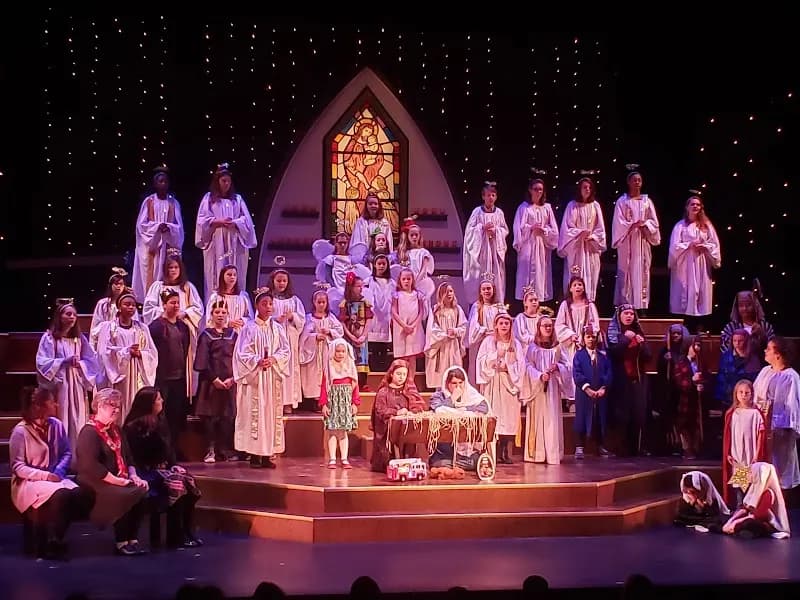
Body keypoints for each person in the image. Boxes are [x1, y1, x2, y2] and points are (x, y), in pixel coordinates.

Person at [10, 387, 91, 559]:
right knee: (61, 495)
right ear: (39, 406)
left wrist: (59, 470)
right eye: (51, 401)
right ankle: (52, 541)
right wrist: (45, 476)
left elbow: (66, 453)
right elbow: (18, 467)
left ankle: (57, 537)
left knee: (80, 493)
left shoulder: (57, 425)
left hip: (55, 477)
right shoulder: (20, 432)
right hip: (29, 482)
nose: (56, 404)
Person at [124, 387, 202, 548]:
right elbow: (137, 456)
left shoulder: (160, 421)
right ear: (149, 404)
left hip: (162, 468)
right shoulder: (134, 427)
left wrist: (174, 466)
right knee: (177, 485)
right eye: (158, 399)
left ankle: (187, 530)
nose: (162, 402)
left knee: (188, 480)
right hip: (145, 471)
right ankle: (176, 536)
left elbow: (169, 450)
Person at [76, 389, 150, 556]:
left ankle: (133, 538)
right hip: (94, 479)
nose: (117, 409)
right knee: (123, 494)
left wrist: (134, 476)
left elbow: (129, 457)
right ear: (100, 406)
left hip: (118, 477)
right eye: (112, 405)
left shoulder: (117, 430)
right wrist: (118, 481)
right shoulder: (89, 432)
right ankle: (121, 541)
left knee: (141, 491)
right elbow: (91, 466)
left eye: (118, 406)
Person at [233, 287, 290, 469]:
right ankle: (254, 454)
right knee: (254, 415)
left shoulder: (277, 329)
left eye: (271, 304)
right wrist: (257, 361)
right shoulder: (248, 328)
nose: (268, 307)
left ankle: (268, 454)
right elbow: (241, 353)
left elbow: (285, 350)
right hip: (255, 379)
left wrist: (274, 359)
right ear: (257, 305)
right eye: (264, 303)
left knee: (270, 415)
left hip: (272, 377)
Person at [36, 298, 100, 448]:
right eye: (68, 314)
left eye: (74, 315)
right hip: (60, 383)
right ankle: (60, 454)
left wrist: (81, 364)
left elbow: (91, 361)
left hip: (76, 383)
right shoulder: (50, 338)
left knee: (77, 418)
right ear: (60, 317)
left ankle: (76, 458)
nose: (72, 317)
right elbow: (42, 361)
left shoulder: (79, 339)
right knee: (62, 417)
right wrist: (63, 361)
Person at [195, 162, 257, 299]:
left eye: (228, 181)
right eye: (223, 181)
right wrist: (217, 221)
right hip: (216, 239)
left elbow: (246, 220)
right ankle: (215, 302)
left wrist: (235, 223)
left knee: (234, 269)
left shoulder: (237, 199)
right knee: (216, 271)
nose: (226, 184)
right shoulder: (209, 198)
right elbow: (202, 220)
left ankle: (235, 302)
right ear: (217, 182)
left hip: (234, 239)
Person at [96, 289, 159, 419]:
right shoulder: (109, 328)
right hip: (119, 377)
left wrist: (140, 354)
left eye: (133, 305)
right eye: (127, 304)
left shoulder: (142, 328)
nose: (131, 307)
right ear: (119, 307)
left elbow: (152, 353)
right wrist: (126, 352)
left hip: (137, 375)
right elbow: (104, 353)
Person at [477, 312, 525, 465]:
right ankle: (494, 450)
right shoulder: (488, 342)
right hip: (493, 382)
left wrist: (508, 367)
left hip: (509, 384)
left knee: (508, 418)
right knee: (495, 415)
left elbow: (521, 365)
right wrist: (494, 357)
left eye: (507, 323)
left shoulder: (515, 344)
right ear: (496, 325)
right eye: (501, 323)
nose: (504, 326)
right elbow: (481, 360)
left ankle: (505, 451)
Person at [668, 191, 721, 328]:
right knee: (686, 292)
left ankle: (701, 325)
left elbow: (714, 244)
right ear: (687, 207)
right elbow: (674, 246)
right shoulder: (680, 226)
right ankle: (685, 326)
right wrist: (688, 245)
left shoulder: (707, 225)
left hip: (701, 262)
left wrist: (705, 247)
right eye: (693, 204)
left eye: (698, 204)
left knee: (701, 293)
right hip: (685, 264)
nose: (695, 207)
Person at [611, 166, 661, 311]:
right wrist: (631, 225)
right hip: (627, 241)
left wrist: (645, 225)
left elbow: (654, 222)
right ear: (629, 182)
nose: (637, 182)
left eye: (639, 180)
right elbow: (618, 222)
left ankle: (641, 306)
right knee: (625, 271)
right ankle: (624, 305)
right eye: (634, 180)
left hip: (642, 241)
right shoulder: (622, 201)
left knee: (642, 271)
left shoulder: (647, 201)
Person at [132, 165, 185, 302]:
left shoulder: (173, 203)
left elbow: (179, 227)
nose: (163, 184)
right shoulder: (149, 202)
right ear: (155, 184)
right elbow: (141, 225)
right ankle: (151, 303)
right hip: (153, 246)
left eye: (165, 181)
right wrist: (157, 227)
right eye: (160, 181)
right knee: (152, 273)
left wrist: (169, 228)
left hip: (167, 245)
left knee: (166, 272)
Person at [753, 337, 800, 490]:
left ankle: (778, 503)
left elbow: (791, 406)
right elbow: (755, 394)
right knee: (754, 462)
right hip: (759, 426)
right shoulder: (765, 371)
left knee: (778, 467)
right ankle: (747, 499)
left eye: (769, 348)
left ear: (778, 354)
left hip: (778, 431)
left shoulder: (791, 377)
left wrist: (775, 425)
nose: (765, 351)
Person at [194, 299, 238, 463]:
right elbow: (202, 360)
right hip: (211, 382)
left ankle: (225, 449)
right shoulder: (206, 335)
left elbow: (238, 358)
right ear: (211, 314)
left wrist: (233, 378)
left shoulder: (233, 334)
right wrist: (214, 379)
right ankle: (210, 450)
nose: (220, 315)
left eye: (223, 312)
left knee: (227, 417)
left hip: (229, 381)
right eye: (217, 312)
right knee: (211, 417)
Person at [522, 316, 569, 464]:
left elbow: (567, 365)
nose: (548, 328)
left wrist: (558, 367)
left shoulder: (557, 346)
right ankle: (537, 454)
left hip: (552, 389)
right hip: (537, 389)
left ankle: (553, 454)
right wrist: (538, 375)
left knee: (552, 420)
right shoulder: (533, 347)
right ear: (539, 328)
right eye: (544, 326)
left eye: (550, 326)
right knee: (538, 419)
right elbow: (527, 366)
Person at [148, 289, 191, 448]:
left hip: (179, 378)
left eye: (178, 302)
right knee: (161, 415)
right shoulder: (155, 326)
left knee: (177, 415)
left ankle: (174, 450)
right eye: (172, 302)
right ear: (164, 304)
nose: (176, 305)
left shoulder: (182, 326)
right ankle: (161, 450)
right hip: (163, 378)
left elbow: (185, 348)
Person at [607, 304, 651, 456]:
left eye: (631, 314)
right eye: (626, 313)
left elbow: (648, 356)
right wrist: (626, 339)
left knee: (638, 413)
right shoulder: (615, 334)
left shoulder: (639, 332)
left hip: (637, 379)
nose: (629, 316)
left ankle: (637, 448)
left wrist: (642, 344)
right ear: (619, 316)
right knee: (621, 414)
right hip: (620, 380)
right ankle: (620, 449)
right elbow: (613, 353)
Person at [428, 366, 491, 471]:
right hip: (446, 450)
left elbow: (483, 408)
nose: (458, 387)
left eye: (460, 383)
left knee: (476, 461)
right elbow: (439, 410)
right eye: (454, 383)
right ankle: (450, 464)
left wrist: (460, 410)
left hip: (468, 454)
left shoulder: (472, 395)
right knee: (438, 462)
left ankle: (453, 465)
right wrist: (452, 399)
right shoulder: (438, 396)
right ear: (447, 384)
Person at [370, 359, 425, 473]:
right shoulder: (383, 392)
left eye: (404, 374)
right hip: (387, 431)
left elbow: (419, 405)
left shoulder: (409, 390)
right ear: (391, 374)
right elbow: (380, 410)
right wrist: (396, 413)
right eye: (398, 374)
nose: (401, 377)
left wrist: (412, 412)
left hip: (406, 430)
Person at [557, 175, 607, 302]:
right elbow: (566, 228)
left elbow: (600, 229)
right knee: (575, 274)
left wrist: (593, 237)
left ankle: (588, 304)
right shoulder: (572, 206)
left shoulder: (595, 206)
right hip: (575, 248)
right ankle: (571, 303)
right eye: (585, 187)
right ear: (579, 189)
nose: (587, 189)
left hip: (590, 249)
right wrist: (579, 233)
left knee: (590, 276)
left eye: (590, 187)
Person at [512, 174, 558, 302]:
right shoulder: (523, 208)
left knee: (540, 273)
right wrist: (531, 228)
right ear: (530, 190)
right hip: (528, 246)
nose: (538, 192)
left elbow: (554, 230)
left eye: (540, 189)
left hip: (541, 246)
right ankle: (527, 302)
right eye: (536, 189)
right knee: (526, 275)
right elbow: (518, 229)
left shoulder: (547, 208)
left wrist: (544, 230)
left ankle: (538, 303)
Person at [722, 379, 767, 506]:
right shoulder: (732, 413)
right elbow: (728, 436)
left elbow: (760, 436)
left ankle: (750, 506)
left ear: (752, 394)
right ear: (736, 394)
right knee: (739, 479)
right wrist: (728, 453)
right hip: (737, 453)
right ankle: (739, 506)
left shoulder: (756, 413)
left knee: (751, 479)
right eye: (740, 392)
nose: (743, 395)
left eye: (747, 392)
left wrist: (757, 455)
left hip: (751, 452)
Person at [463, 181, 509, 303]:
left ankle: (496, 303)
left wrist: (496, 231)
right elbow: (469, 232)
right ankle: (479, 303)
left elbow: (504, 230)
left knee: (496, 277)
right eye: (488, 195)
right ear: (483, 196)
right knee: (480, 276)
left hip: (494, 250)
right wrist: (481, 229)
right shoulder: (477, 212)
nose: (491, 198)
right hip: (481, 251)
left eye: (493, 195)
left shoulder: (499, 213)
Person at [267, 268, 306, 412]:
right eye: (278, 281)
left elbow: (301, 320)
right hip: (274, 338)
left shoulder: (294, 300)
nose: (281, 283)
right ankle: (274, 401)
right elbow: (259, 317)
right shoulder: (268, 298)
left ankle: (288, 402)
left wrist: (292, 317)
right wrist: (274, 319)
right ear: (273, 281)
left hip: (289, 338)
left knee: (289, 368)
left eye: (284, 281)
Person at [299, 289, 344, 410]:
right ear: (314, 302)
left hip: (326, 350)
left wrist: (329, 332)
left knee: (327, 374)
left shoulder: (331, 318)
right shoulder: (308, 318)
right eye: (319, 302)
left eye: (324, 302)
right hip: (313, 352)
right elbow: (303, 336)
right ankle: (313, 400)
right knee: (313, 375)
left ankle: (325, 399)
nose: (321, 305)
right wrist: (314, 336)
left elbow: (340, 332)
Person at [573, 325, 613, 459]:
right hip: (584, 393)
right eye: (588, 337)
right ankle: (579, 446)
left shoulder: (603, 356)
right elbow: (577, 373)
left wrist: (603, 388)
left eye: (593, 337)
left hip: (600, 392)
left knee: (599, 417)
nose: (591, 340)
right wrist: (587, 388)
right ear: (584, 339)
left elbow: (608, 373)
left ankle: (600, 445)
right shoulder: (579, 355)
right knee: (582, 417)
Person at [319, 340, 360, 469]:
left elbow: (355, 387)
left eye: (343, 351)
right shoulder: (329, 367)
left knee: (342, 432)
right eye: (338, 351)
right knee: (332, 431)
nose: (340, 354)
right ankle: (332, 458)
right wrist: (324, 404)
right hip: (333, 403)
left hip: (345, 403)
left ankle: (344, 458)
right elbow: (324, 388)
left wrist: (355, 403)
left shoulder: (350, 366)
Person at [722, 462, 790, 538]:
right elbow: (745, 508)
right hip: (751, 516)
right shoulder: (753, 489)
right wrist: (731, 520)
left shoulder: (768, 493)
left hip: (761, 521)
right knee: (729, 522)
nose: (751, 475)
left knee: (748, 524)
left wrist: (736, 522)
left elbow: (759, 515)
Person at [424, 282, 467, 390]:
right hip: (440, 345)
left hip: (453, 345)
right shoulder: (435, 310)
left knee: (453, 368)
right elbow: (431, 329)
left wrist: (456, 331)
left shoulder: (457, 310)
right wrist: (444, 335)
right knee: (441, 370)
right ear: (441, 294)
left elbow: (464, 326)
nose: (449, 294)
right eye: (446, 292)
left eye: (451, 291)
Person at [90, 267, 140, 350]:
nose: (118, 286)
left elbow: (135, 321)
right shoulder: (103, 303)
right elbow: (96, 324)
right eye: (116, 284)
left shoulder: (128, 303)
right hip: (106, 338)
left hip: (124, 338)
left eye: (121, 284)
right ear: (111, 285)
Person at [391, 268, 426, 381]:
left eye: (409, 279)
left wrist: (413, 325)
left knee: (412, 355)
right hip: (401, 327)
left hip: (414, 328)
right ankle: (402, 379)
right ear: (400, 280)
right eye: (404, 279)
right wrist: (404, 325)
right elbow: (394, 311)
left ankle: (411, 380)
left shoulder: (417, 295)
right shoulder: (397, 295)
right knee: (403, 355)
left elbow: (421, 311)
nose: (406, 281)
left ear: (412, 280)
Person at [715, 329, 763, 409]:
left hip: (745, 397)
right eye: (734, 341)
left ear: (746, 341)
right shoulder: (726, 356)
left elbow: (756, 380)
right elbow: (721, 376)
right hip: (728, 397)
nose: (737, 343)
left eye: (740, 341)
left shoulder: (753, 358)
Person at [720, 290, 775, 354]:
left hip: (761, 362)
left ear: (755, 307)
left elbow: (773, 348)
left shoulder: (765, 326)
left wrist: (762, 335)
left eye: (748, 305)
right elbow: (724, 349)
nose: (744, 308)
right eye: (741, 305)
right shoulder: (730, 327)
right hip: (736, 363)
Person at [204, 264, 254, 332]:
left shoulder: (243, 296)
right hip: (222, 334)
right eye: (229, 274)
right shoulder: (215, 297)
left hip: (240, 333)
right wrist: (227, 323)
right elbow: (209, 320)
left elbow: (251, 317)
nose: (232, 277)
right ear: (222, 276)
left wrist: (243, 321)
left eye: (234, 275)